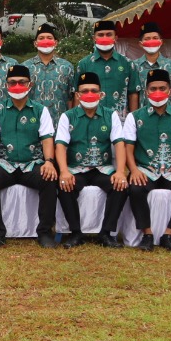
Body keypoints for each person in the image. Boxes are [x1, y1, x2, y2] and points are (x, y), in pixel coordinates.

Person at [121, 68, 171, 253]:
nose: (158, 93)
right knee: (135, 188)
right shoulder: (135, 117)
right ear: (147, 91)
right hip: (146, 169)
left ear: (170, 91)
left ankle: (169, 234)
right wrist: (133, 170)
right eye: (153, 88)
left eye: (162, 88)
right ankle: (147, 234)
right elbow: (128, 147)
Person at [0, 64, 58, 248]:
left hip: (32, 163)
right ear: (6, 85)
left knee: (49, 179)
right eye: (12, 82)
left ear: (30, 85)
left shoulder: (40, 110)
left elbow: (47, 139)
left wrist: (49, 162)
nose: (17, 86)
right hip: (5, 163)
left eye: (22, 82)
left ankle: (45, 232)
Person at [55, 71, 128, 249]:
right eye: (85, 91)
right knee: (64, 186)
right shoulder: (68, 116)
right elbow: (60, 146)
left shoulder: (111, 115)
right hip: (76, 168)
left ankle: (106, 233)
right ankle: (75, 233)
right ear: (78, 95)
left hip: (102, 168)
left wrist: (120, 172)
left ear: (101, 94)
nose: (89, 94)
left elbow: (119, 144)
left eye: (94, 90)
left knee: (120, 187)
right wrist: (64, 171)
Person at [75, 19, 134, 121]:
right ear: (94, 38)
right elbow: (77, 94)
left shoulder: (127, 63)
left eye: (109, 34)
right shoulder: (84, 64)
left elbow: (133, 93)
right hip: (90, 119)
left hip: (121, 121)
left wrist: (133, 120)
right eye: (100, 35)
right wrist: (76, 120)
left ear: (115, 38)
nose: (104, 38)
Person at [129, 21, 171, 112]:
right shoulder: (133, 66)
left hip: (167, 118)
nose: (151, 41)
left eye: (155, 38)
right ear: (140, 43)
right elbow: (133, 95)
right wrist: (133, 119)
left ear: (161, 42)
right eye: (147, 39)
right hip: (143, 119)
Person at [23, 23, 76, 119]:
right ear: (35, 43)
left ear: (56, 42)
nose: (45, 41)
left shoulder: (67, 67)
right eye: (41, 38)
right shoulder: (25, 67)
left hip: (59, 123)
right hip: (33, 122)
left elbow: (71, 97)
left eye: (49, 38)